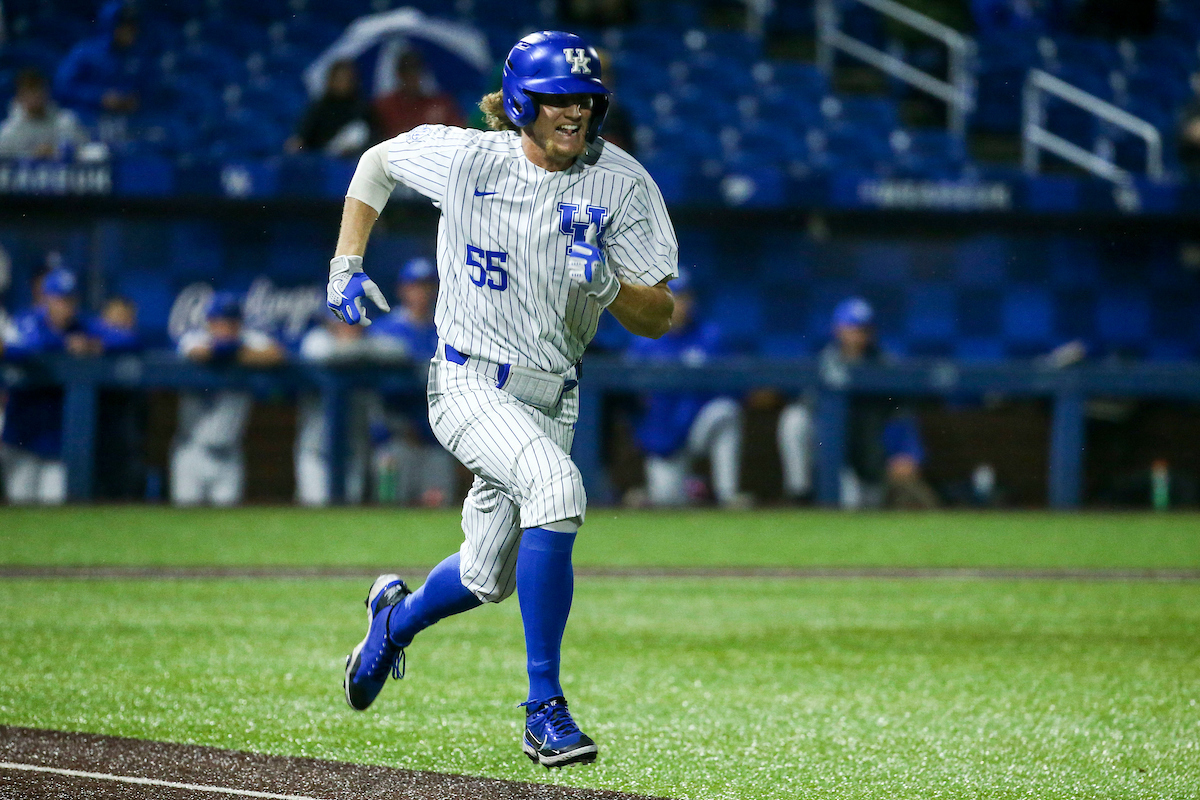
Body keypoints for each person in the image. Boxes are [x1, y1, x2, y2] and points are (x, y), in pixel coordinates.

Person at [328, 31, 677, 768]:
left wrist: (611, 287)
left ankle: (394, 621)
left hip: (554, 396)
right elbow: (376, 162)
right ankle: (543, 707)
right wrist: (346, 263)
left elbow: (659, 317)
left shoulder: (623, 183)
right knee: (557, 487)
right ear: (521, 101)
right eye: (557, 99)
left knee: (487, 576)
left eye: (584, 100)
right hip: (466, 378)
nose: (573, 113)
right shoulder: (469, 157)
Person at [776, 297, 938, 509]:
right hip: (831, 455)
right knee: (794, 418)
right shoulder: (823, 363)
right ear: (838, 329)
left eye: (864, 329)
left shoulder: (885, 366)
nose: (858, 335)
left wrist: (908, 453)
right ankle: (799, 491)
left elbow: (902, 413)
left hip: (868, 457)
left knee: (859, 506)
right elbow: (809, 410)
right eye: (852, 328)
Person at [624, 270, 747, 507]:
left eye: (685, 298)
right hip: (663, 435)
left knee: (726, 411)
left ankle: (728, 494)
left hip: (699, 426)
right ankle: (685, 490)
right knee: (666, 502)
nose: (681, 304)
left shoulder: (710, 336)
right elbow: (629, 398)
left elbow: (734, 386)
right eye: (675, 297)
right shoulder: (643, 341)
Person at [0, 268, 106, 504]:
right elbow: (25, 348)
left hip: (58, 445)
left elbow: (127, 339)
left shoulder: (82, 326)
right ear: (46, 298)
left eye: (70, 299)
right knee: (22, 515)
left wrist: (94, 344)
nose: (65, 306)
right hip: (22, 440)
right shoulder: (27, 320)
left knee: (55, 513)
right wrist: (65, 343)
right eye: (59, 299)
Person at [171, 292, 284, 506]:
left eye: (231, 322)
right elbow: (199, 352)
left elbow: (276, 355)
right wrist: (234, 354)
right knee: (185, 521)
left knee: (227, 525)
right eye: (220, 322)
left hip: (229, 455)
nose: (225, 327)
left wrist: (235, 353)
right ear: (209, 322)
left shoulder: (249, 341)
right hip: (191, 451)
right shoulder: (193, 338)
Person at [367, 257, 455, 506]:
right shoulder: (384, 329)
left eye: (427, 286)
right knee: (389, 509)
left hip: (434, 441)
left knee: (437, 507)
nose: (422, 292)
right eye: (415, 285)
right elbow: (380, 389)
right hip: (394, 439)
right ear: (402, 289)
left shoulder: (446, 330)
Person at [294, 317, 382, 506]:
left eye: (353, 323)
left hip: (353, 449)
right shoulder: (316, 341)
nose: (348, 328)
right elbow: (320, 351)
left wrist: (359, 347)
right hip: (315, 450)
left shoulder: (372, 343)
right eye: (341, 322)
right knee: (315, 510)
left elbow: (398, 351)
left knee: (348, 510)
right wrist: (358, 349)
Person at [53, 1, 142, 123]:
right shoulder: (84, 52)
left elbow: (140, 90)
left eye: (133, 27)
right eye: (125, 27)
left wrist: (129, 100)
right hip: (83, 118)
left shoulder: (135, 56)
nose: (130, 32)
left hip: (120, 122)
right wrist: (99, 97)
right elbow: (62, 87)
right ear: (112, 26)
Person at [286, 60, 376, 157]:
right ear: (330, 80)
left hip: (353, 161)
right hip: (323, 161)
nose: (342, 83)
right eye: (338, 78)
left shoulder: (362, 107)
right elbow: (302, 136)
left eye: (346, 79)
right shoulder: (319, 107)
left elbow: (373, 137)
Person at [373, 51, 466, 139]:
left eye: (415, 72)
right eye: (407, 73)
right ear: (399, 75)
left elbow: (459, 133)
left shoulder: (440, 104)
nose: (411, 78)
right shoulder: (385, 107)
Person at [0, 69, 91, 159]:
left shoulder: (66, 121)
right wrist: (32, 156)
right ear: (19, 96)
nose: (35, 97)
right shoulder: (9, 131)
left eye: (38, 90)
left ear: (46, 92)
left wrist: (56, 151)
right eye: (29, 92)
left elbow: (85, 150)